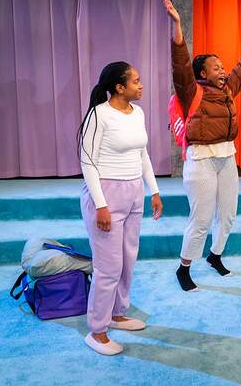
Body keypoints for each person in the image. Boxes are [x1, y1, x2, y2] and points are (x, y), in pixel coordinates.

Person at [163, 0, 241, 291]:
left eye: (223, 66)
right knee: (200, 219)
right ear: (202, 74)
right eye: (216, 67)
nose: (223, 70)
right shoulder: (190, 92)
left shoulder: (227, 90)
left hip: (227, 157)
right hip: (200, 159)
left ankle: (215, 256)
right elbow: (180, 62)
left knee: (228, 214)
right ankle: (184, 268)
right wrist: (178, 24)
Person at [77, 61, 163, 355]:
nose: (141, 85)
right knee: (108, 267)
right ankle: (97, 331)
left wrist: (154, 190)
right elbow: (87, 162)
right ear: (119, 87)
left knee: (127, 260)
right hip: (106, 195)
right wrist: (100, 205)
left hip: (134, 193)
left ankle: (116, 313)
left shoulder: (137, 112)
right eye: (136, 81)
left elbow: (143, 154)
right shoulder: (98, 116)